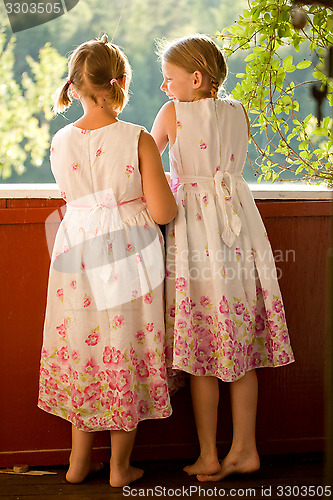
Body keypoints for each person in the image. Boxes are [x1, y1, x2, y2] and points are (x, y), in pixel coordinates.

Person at [151, 34, 294, 482]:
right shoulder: (238, 112)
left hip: (197, 229)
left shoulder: (174, 113)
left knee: (202, 347)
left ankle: (210, 455)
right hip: (240, 227)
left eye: (168, 79)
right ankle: (245, 449)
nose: (164, 88)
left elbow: (143, 162)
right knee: (240, 343)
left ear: (196, 78)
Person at [38, 33, 177, 488]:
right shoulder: (138, 138)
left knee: (84, 348)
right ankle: (119, 467)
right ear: (120, 84)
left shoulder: (60, 140)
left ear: (76, 86)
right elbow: (162, 212)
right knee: (124, 347)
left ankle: (78, 462)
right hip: (126, 253)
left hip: (75, 252)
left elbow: (71, 198)